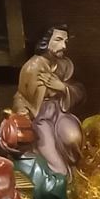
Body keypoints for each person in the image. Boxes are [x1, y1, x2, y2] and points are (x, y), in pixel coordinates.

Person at [13, 25, 84, 176]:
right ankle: (59, 179)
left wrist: (62, 87)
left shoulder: (64, 65)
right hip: (40, 117)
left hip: (60, 111)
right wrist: (23, 113)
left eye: (65, 41)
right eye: (58, 40)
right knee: (56, 165)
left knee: (73, 137)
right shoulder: (32, 68)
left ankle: (73, 170)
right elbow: (20, 96)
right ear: (45, 42)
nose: (63, 46)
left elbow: (78, 91)